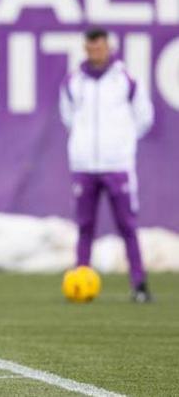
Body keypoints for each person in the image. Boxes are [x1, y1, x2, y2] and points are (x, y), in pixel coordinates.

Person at [59, 28, 154, 302]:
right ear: (85, 49)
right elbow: (68, 117)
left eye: (99, 47)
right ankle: (81, 280)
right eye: (90, 48)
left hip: (117, 163)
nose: (95, 52)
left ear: (108, 47)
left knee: (127, 224)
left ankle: (139, 284)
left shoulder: (125, 79)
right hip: (85, 164)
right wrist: (83, 143)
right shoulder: (74, 81)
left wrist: (121, 143)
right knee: (85, 224)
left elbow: (144, 117)